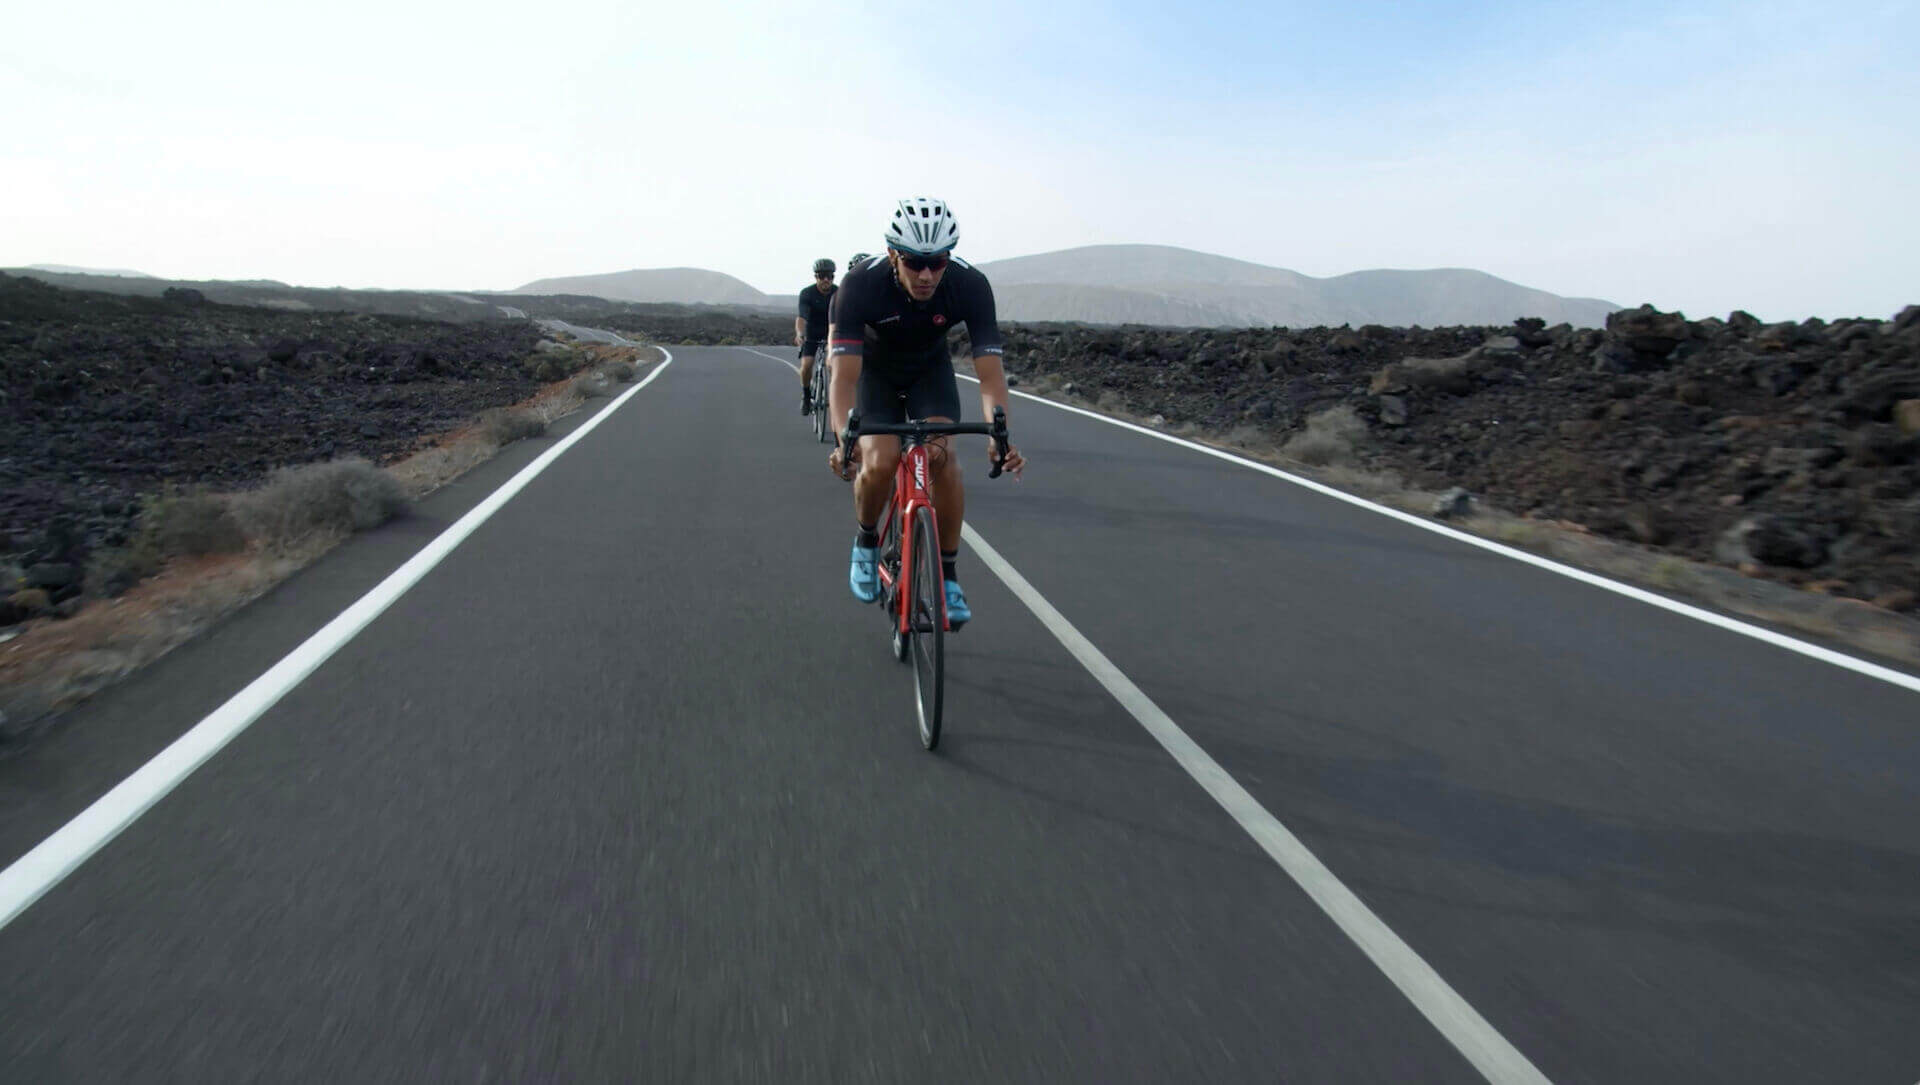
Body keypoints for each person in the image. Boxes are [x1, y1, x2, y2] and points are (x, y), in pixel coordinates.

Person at [826, 199, 1024, 628]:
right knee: (878, 461)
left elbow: (990, 377)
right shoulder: (860, 285)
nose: (927, 275)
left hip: (929, 373)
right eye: (916, 263)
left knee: (943, 459)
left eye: (937, 262)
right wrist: (845, 439)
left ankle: (947, 576)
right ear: (895, 254)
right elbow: (842, 381)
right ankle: (865, 542)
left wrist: (999, 436)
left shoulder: (971, 285)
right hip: (874, 374)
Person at [795, 258, 836, 414]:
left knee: (833, 364)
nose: (826, 279)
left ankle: (835, 395)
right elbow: (801, 317)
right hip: (812, 332)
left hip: (832, 331)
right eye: (822, 275)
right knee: (806, 365)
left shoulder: (838, 293)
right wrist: (799, 333)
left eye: (830, 276)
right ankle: (806, 396)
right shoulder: (807, 293)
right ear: (816, 277)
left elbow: (843, 317)